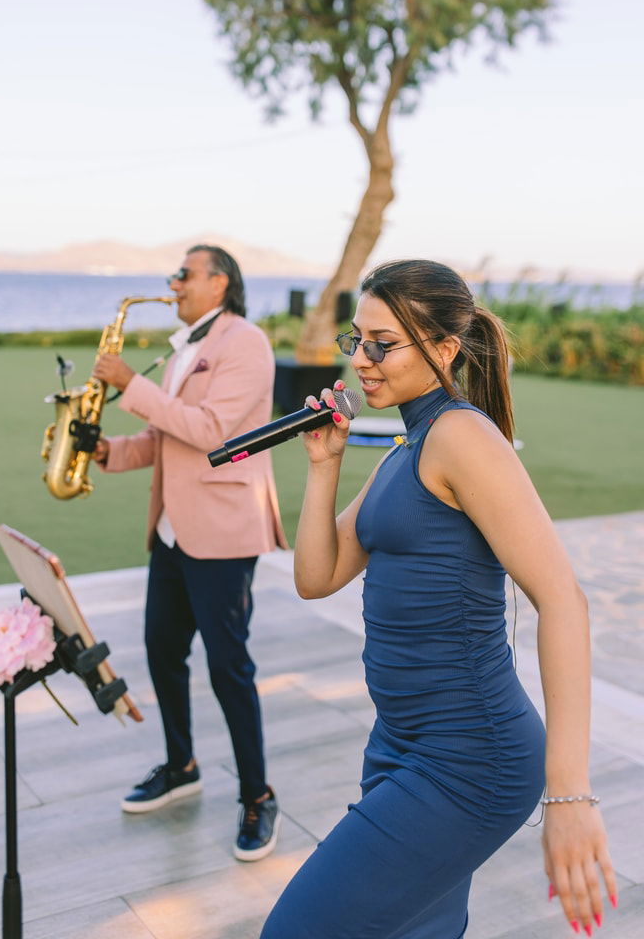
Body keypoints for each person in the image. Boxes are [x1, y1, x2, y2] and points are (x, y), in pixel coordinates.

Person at [261, 259, 617, 938]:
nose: (362, 360)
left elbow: (563, 599)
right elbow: (316, 576)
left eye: (382, 343)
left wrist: (568, 793)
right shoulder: (411, 445)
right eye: (356, 340)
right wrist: (324, 463)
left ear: (445, 349)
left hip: (470, 758)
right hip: (400, 742)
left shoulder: (461, 436)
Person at [92, 244, 287, 862]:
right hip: (174, 531)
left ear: (219, 282)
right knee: (160, 648)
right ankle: (182, 765)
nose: (172, 283)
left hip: (225, 532)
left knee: (229, 666)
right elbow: (166, 434)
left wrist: (130, 383)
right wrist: (108, 453)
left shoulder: (246, 342)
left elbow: (209, 432)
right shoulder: (187, 349)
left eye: (184, 274)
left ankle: (258, 796)